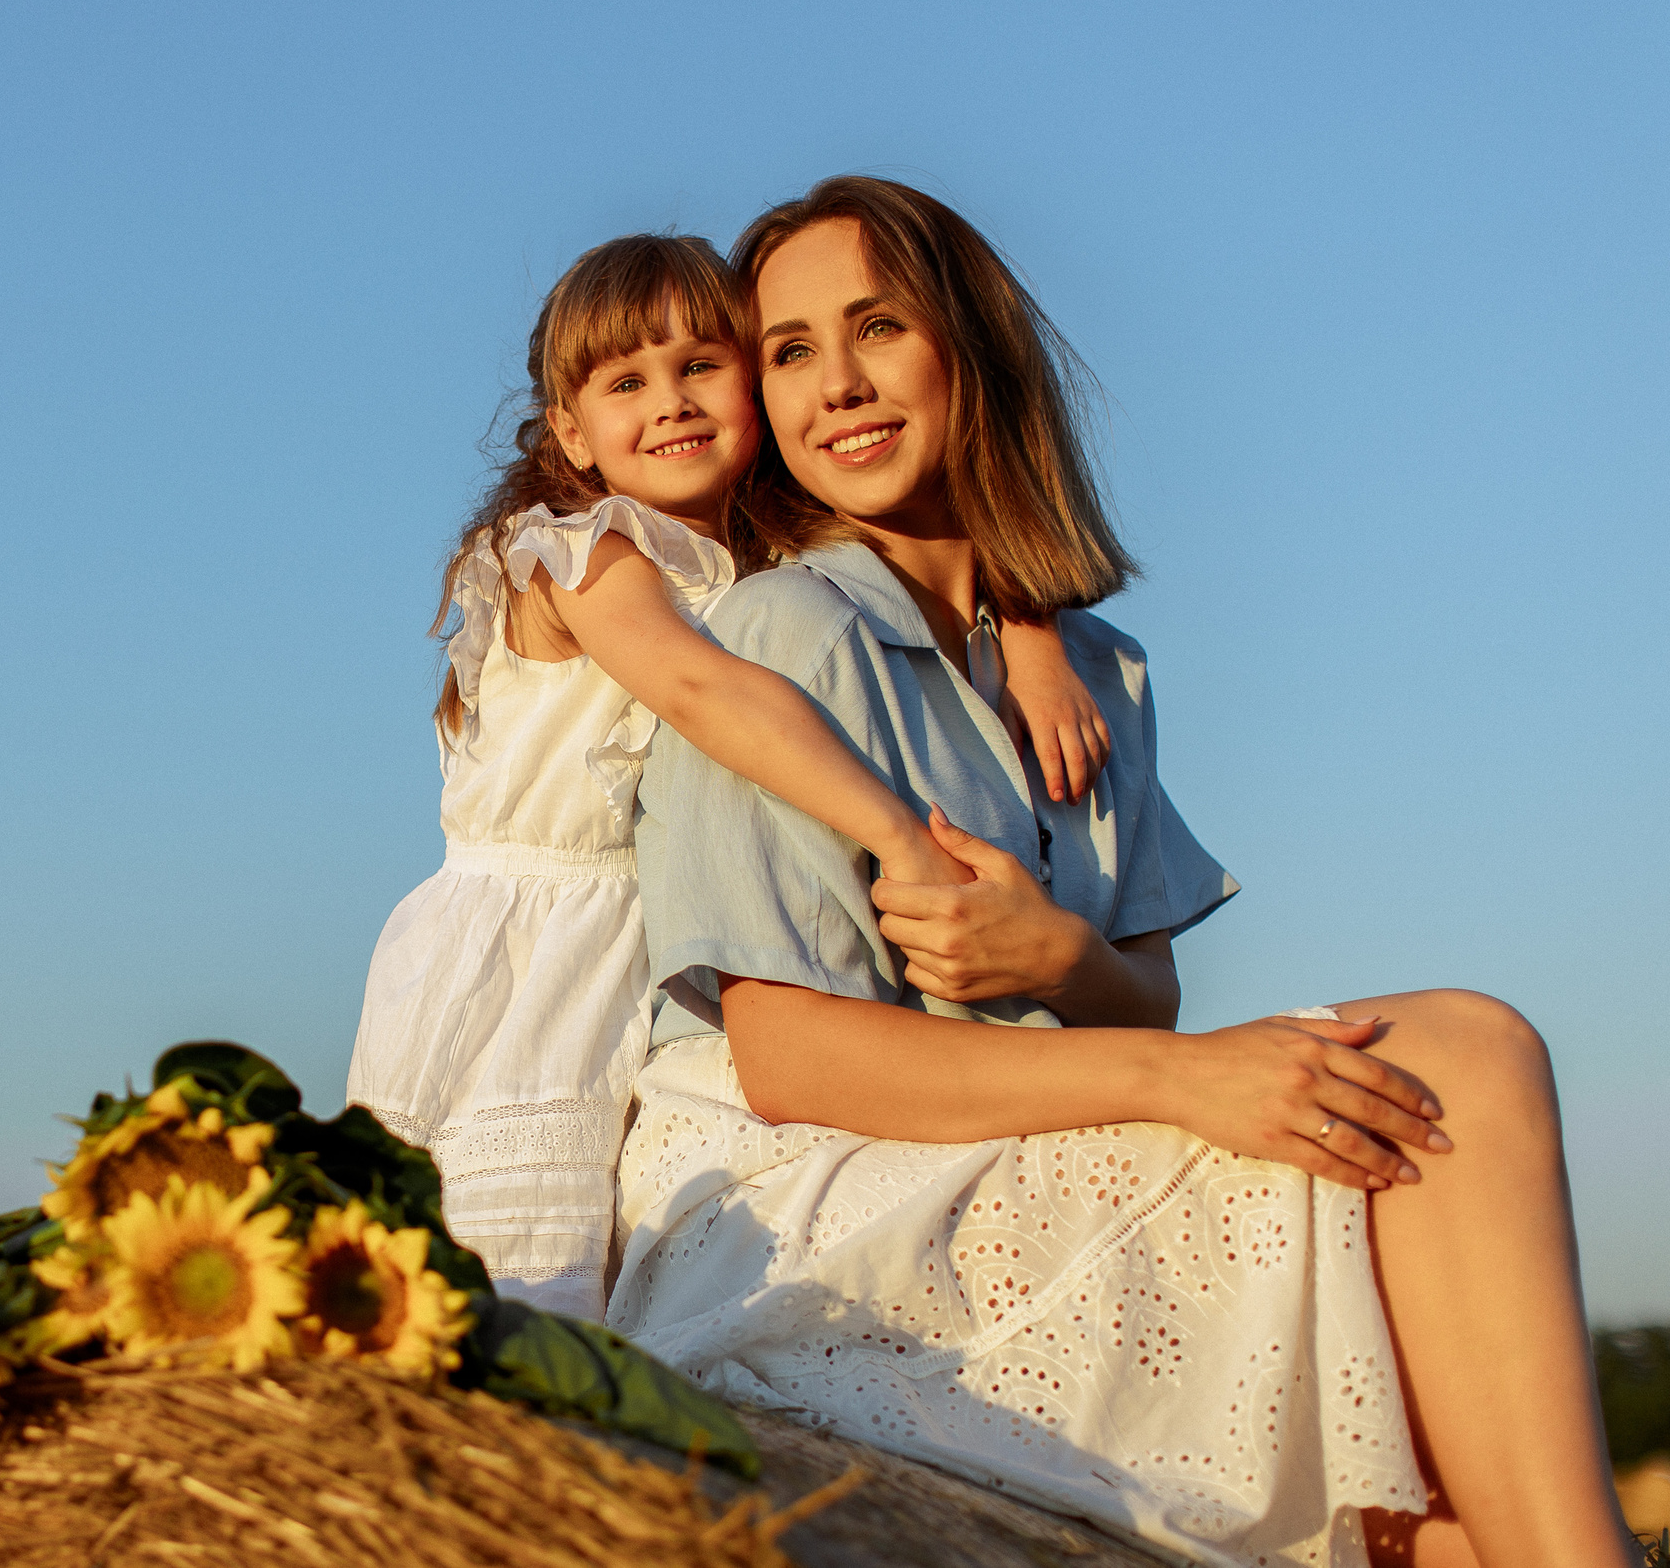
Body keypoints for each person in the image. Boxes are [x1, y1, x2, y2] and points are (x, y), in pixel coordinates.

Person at [609, 176, 1632, 1567]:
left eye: (880, 327)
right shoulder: (786, 631)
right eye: (789, 350)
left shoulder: (1094, 667)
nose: (835, 384)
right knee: (1456, 1054)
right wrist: (1187, 1075)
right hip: (800, 1207)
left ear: (976, 345)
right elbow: (785, 1055)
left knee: (1441, 1506)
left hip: (1010, 1151)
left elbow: (1137, 989)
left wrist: (1056, 960)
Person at [345, 233, 1104, 1317]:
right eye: (625, 381)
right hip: (529, 952)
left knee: (627, 1281)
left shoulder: (761, 567)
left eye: (701, 364)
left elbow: (942, 531)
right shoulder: (576, 553)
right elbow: (706, 692)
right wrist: (898, 836)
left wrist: (1029, 628)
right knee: (501, 1284)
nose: (671, 400)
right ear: (571, 431)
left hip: (650, 952)